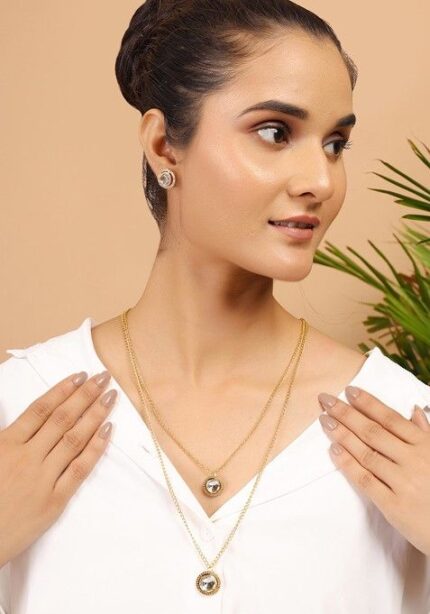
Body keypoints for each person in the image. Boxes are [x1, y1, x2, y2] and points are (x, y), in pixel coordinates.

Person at [1, 1, 429, 612]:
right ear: (163, 145)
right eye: (275, 132)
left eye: (336, 144)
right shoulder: (20, 411)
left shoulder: (404, 429)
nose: (322, 180)